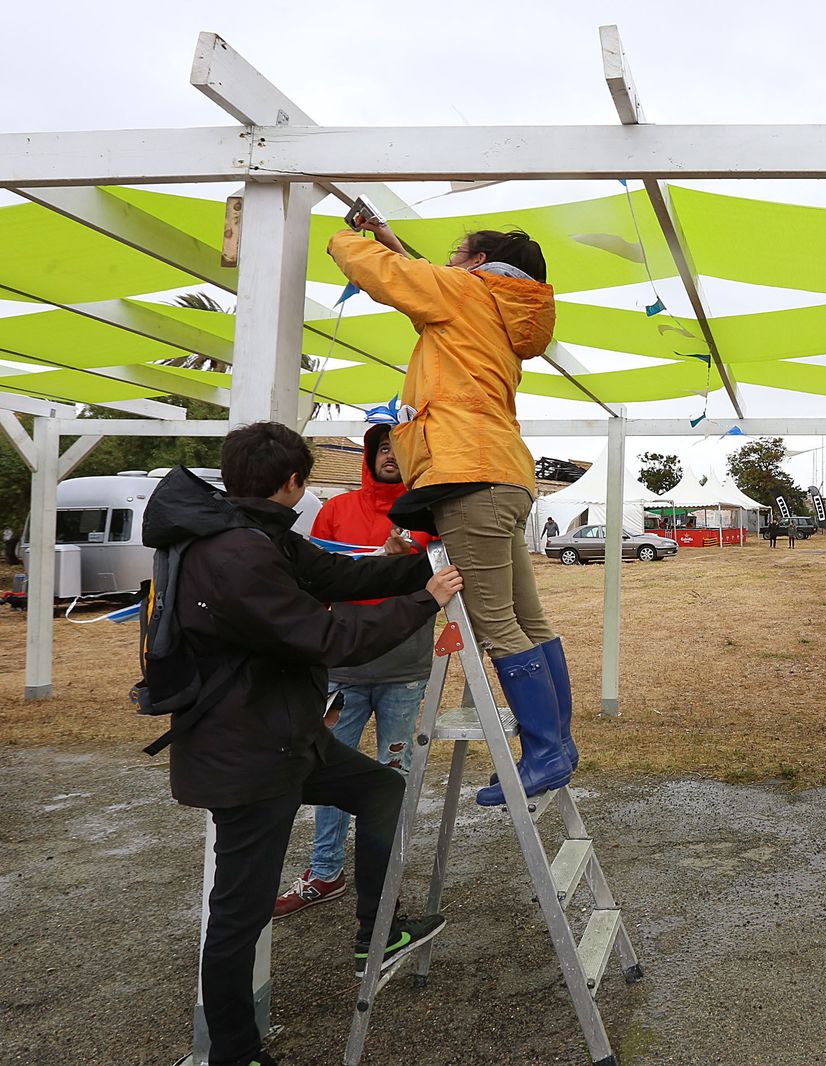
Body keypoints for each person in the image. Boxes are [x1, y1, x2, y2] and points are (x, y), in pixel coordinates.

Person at [144, 422, 462, 1066]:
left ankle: (377, 930)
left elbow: (338, 576)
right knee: (240, 913)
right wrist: (424, 602)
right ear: (294, 482)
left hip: (284, 739)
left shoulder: (253, 535)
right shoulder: (236, 553)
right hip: (247, 756)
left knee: (381, 789)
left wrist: (419, 563)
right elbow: (326, 637)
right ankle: (235, 1052)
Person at [329, 219, 577, 808]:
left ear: (478, 261)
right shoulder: (496, 303)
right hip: (503, 473)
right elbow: (428, 285)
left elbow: (389, 277)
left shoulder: (464, 291)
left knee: (495, 624)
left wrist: (345, 239)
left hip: (466, 475)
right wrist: (397, 244)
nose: (449, 263)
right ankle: (557, 744)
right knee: (529, 619)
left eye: (457, 256)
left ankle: (545, 751)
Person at [274, 424, 435, 920]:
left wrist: (410, 561)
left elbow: (446, 577)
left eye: (398, 449)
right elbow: (312, 582)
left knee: (395, 773)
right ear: (369, 455)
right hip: (341, 669)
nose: (389, 456)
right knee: (325, 772)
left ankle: (387, 883)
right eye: (381, 448)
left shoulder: (426, 511)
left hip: (405, 668)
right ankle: (325, 871)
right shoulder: (336, 510)